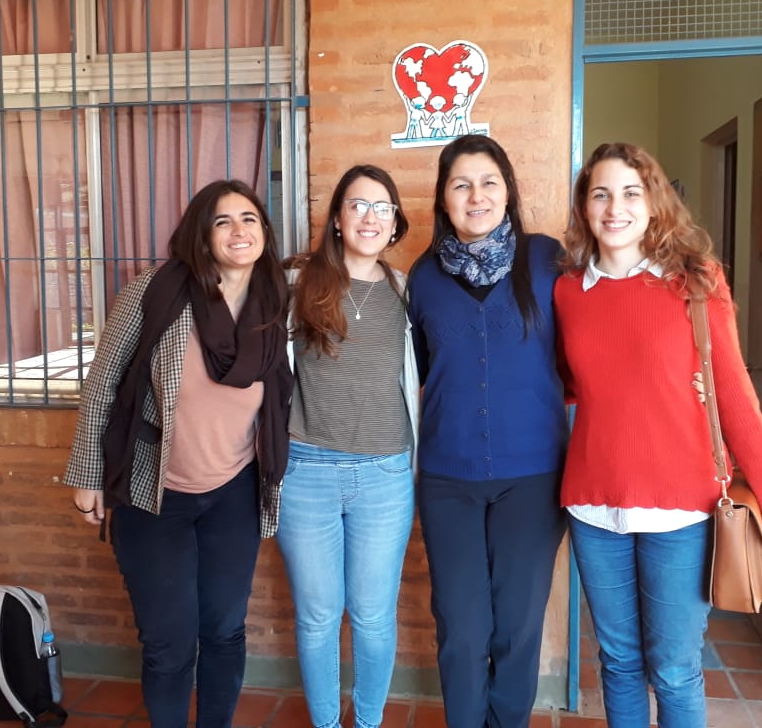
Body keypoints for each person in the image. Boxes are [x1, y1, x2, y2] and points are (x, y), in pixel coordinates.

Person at [554, 142, 762, 728]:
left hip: (681, 510)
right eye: (600, 194)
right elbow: (571, 384)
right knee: (616, 662)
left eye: (630, 193)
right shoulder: (568, 292)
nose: (614, 207)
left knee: (673, 669)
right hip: (594, 506)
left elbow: (739, 401)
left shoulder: (695, 283)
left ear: (654, 203)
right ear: (585, 207)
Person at [63, 179, 293, 728]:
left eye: (249, 219)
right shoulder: (156, 291)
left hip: (235, 490)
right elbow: (102, 383)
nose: (238, 231)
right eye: (222, 221)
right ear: (201, 233)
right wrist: (87, 474)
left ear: (264, 232)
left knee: (223, 629)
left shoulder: (274, 300)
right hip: (154, 492)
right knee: (168, 641)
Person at [407, 135, 567, 728]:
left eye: (489, 181)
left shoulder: (547, 261)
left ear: (508, 191)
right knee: (461, 624)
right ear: (443, 200)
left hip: (534, 477)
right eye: (461, 184)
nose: (476, 196)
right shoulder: (422, 279)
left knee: (518, 627)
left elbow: (591, 351)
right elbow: (413, 376)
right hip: (448, 478)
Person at [276, 165, 418, 728]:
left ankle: (368, 722)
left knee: (374, 617)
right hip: (306, 471)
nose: (370, 217)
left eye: (382, 207)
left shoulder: (406, 291)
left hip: (386, 475)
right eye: (358, 205)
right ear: (337, 218)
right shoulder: (295, 285)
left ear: (394, 223)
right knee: (316, 617)